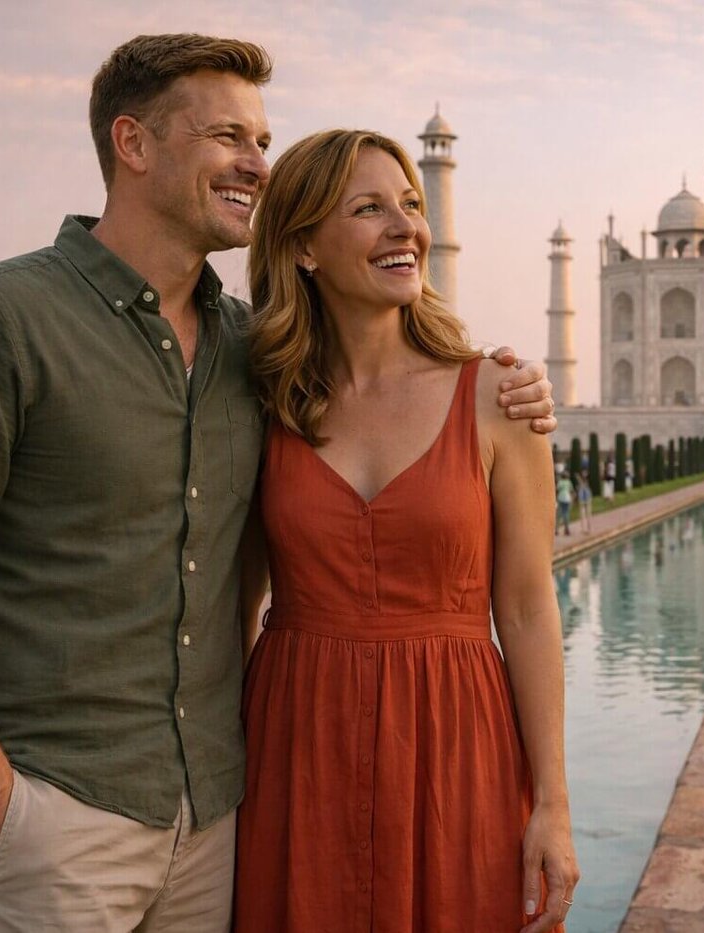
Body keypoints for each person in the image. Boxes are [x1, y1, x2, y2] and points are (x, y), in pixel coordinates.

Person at [0, 36, 556, 933]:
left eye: (263, 139)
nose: (258, 163)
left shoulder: (252, 355)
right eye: (227, 136)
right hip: (47, 818)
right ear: (133, 143)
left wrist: (506, 383)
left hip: (211, 824)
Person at [235, 129, 578, 931]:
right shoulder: (262, 399)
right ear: (304, 248)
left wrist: (553, 802)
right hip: (297, 746)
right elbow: (236, 601)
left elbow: (528, 609)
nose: (406, 228)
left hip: (455, 744)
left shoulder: (495, 395)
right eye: (368, 209)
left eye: (412, 204)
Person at [555, 468, 575, 536]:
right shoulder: (568, 482)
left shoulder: (560, 482)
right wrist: (572, 499)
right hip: (567, 499)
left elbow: (557, 490)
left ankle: (557, 529)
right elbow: (571, 491)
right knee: (566, 514)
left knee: (558, 514)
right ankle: (566, 529)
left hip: (560, 499)